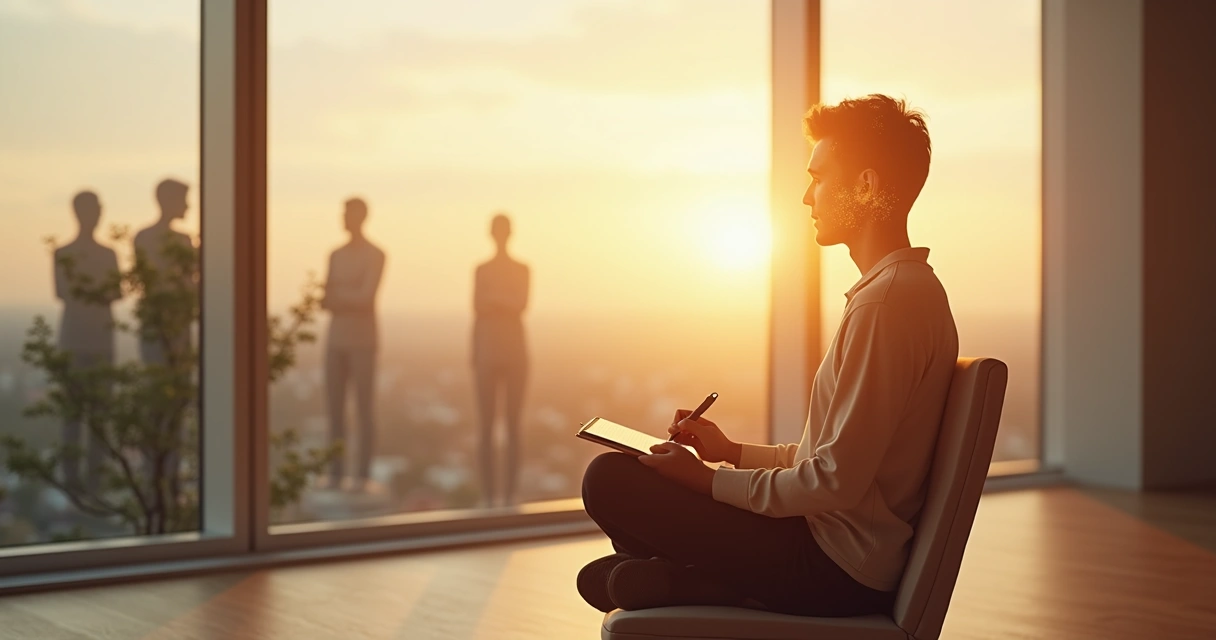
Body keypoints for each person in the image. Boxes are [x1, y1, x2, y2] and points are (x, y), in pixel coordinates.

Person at [578, 94, 959, 617]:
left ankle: (712, 582)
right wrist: (730, 452)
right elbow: (827, 461)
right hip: (826, 546)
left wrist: (706, 481)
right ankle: (707, 582)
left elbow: (833, 482)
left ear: (866, 187)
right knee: (605, 561)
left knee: (608, 480)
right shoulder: (895, 293)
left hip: (833, 569)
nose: (807, 197)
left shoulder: (888, 304)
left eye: (820, 178)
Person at [54, 191, 122, 491]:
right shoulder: (64, 253)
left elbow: (114, 291)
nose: (96, 215)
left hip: (99, 340)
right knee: (74, 415)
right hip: (76, 340)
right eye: (92, 209)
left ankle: (96, 481)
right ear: (79, 213)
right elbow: (64, 291)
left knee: (99, 415)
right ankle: (72, 481)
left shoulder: (108, 254)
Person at [133, 178, 197, 483]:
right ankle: (157, 473)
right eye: (184, 199)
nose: (188, 205)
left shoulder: (181, 241)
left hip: (177, 329)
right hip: (161, 328)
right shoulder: (147, 238)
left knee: (175, 403)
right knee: (159, 400)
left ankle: (168, 474)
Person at [322, 197, 386, 492]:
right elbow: (325, 298)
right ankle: (336, 473)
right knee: (334, 410)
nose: (344, 218)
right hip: (336, 339)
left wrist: (341, 296)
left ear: (361, 217)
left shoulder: (375, 254)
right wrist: (349, 295)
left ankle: (362, 475)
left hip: (363, 339)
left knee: (363, 409)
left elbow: (365, 298)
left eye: (348, 213)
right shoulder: (335, 254)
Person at [471, 213, 530, 507]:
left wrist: (496, 302)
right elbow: (478, 308)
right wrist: (500, 303)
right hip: (487, 349)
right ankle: (488, 495)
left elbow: (520, 304)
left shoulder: (522, 269)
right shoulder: (481, 269)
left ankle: (509, 495)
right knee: (486, 426)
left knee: (513, 426)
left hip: (515, 351)